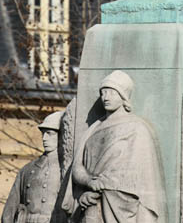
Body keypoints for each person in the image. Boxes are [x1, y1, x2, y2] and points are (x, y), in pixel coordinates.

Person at [64, 70, 167, 223]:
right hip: (90, 208)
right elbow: (78, 167)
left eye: (112, 92)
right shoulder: (93, 129)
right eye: (103, 93)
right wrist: (88, 184)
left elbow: (135, 178)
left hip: (120, 209)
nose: (105, 97)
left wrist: (101, 192)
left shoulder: (137, 129)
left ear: (123, 96)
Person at [2, 110, 65, 223]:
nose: (44, 138)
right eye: (43, 133)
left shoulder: (66, 167)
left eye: (50, 133)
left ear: (60, 136)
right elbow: (10, 210)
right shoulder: (27, 170)